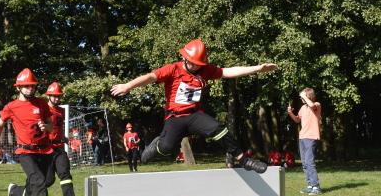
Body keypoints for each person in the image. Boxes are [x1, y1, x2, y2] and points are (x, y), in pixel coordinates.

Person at [111, 39, 277, 172]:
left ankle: (244, 160)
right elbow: (150, 77)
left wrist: (258, 69)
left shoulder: (205, 70)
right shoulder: (173, 69)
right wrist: (128, 86)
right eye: (192, 63)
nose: (195, 66)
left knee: (220, 130)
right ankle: (157, 145)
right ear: (184, 57)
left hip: (194, 115)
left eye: (198, 64)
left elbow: (228, 72)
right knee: (167, 147)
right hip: (175, 117)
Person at [0, 68, 66, 196]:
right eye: (27, 86)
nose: (31, 89)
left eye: (32, 86)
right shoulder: (11, 107)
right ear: (19, 88)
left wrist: (44, 126)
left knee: (45, 183)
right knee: (39, 184)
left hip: (45, 151)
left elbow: (50, 127)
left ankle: (14, 192)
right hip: (25, 153)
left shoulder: (42, 103)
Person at [45, 81, 81, 196]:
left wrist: (66, 139)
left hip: (59, 148)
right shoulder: (43, 110)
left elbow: (57, 130)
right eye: (53, 96)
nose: (56, 98)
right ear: (49, 96)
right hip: (46, 150)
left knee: (65, 175)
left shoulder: (61, 111)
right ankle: (15, 192)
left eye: (58, 96)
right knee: (48, 181)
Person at [288, 88, 322, 195]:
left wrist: (304, 96)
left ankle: (316, 187)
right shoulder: (303, 108)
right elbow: (297, 120)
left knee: (309, 162)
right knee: (304, 163)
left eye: (303, 96)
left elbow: (311, 105)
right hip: (302, 138)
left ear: (309, 96)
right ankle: (310, 185)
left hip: (311, 137)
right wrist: (290, 113)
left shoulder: (316, 104)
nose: (301, 98)